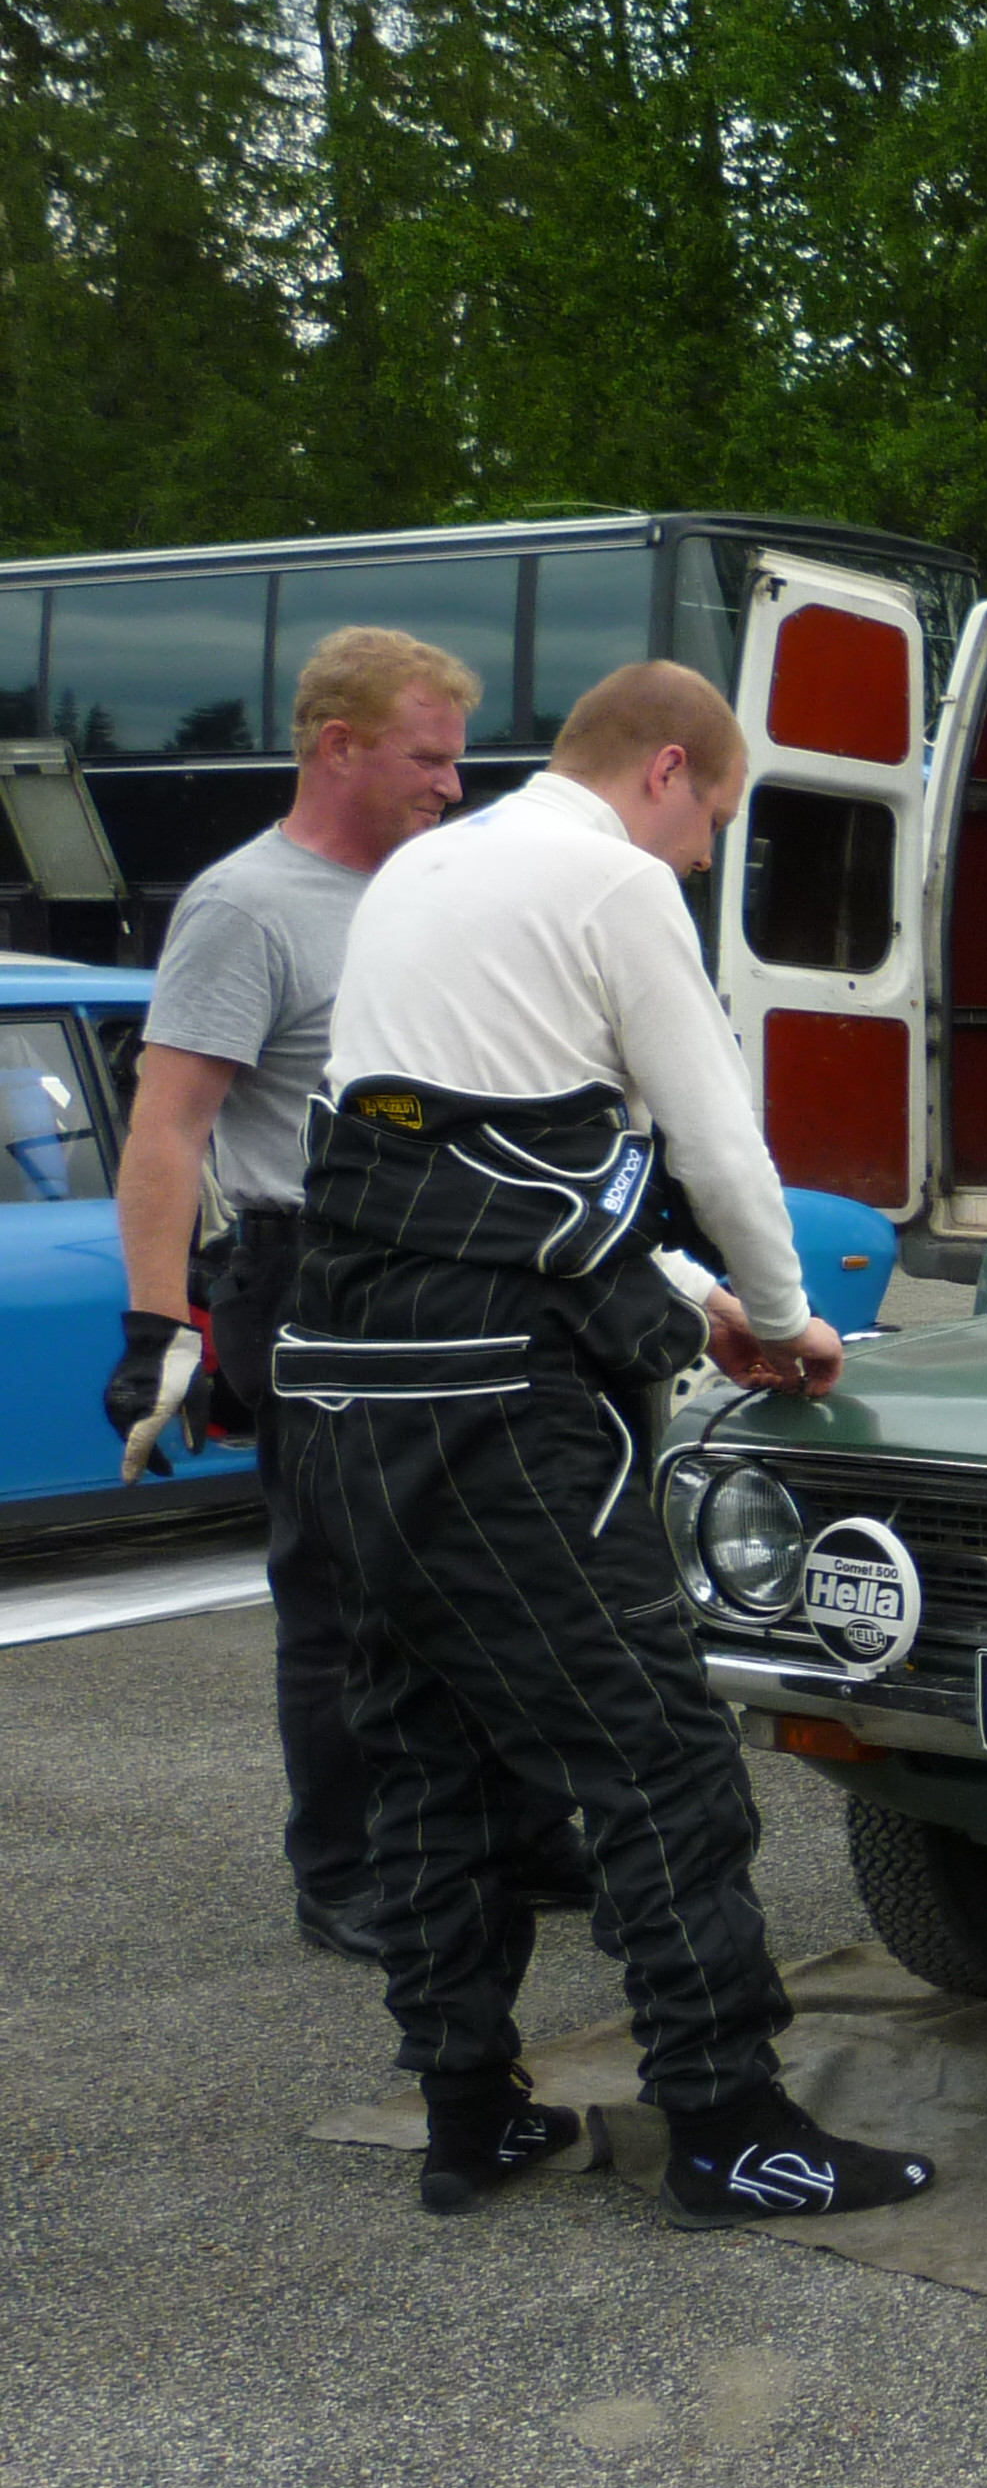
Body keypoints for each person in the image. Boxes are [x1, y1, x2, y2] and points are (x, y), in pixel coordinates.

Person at [278, 660, 934, 2226]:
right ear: (664, 772)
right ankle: (727, 2124)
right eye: (715, 814)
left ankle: (469, 2112)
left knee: (430, 1753)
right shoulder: (610, 885)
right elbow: (713, 1141)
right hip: (500, 1401)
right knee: (654, 1759)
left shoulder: (420, 872)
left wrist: (691, 1299)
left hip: (338, 1384)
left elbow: (487, 1158)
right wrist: (776, 1315)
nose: (706, 856)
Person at [100, 626, 590, 1963]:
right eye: (427, 758)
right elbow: (169, 1126)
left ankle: (520, 1830)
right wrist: (158, 1327)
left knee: (489, 1565)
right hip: (307, 1268)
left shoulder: (432, 889)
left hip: (450, 1266)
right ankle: (346, 1871)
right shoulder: (246, 904)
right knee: (339, 1595)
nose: (451, 784)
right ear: (338, 748)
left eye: (454, 760)